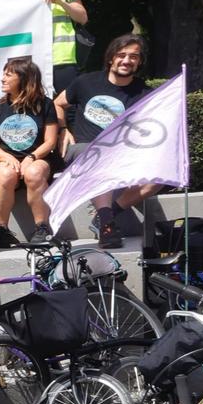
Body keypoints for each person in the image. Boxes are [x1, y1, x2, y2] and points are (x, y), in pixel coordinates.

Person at [62, 33, 158, 245]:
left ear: (139, 61)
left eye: (134, 56)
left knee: (157, 178)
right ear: (111, 58)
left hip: (122, 154)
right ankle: (107, 226)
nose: (127, 60)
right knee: (99, 155)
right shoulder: (85, 82)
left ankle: (107, 215)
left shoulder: (145, 93)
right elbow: (58, 104)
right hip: (84, 150)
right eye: (121, 55)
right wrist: (63, 129)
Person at [0, 57, 58, 245]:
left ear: (24, 79)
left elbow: (50, 141)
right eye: (4, 74)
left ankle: (42, 227)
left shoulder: (46, 105)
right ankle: (2, 230)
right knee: (7, 174)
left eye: (9, 75)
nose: (3, 79)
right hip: (4, 159)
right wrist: (8, 157)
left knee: (34, 173)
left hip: (39, 157)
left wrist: (32, 157)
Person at [19, 0, 88, 104]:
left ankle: (69, 129)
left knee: (69, 105)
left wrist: (61, 3)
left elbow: (82, 17)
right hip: (33, 60)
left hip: (62, 59)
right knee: (37, 105)